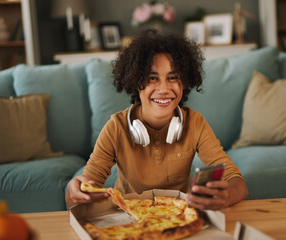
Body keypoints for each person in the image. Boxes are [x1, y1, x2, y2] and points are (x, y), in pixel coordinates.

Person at [66, 29, 248, 210]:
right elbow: (81, 191)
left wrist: (227, 194)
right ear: (136, 82)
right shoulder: (116, 127)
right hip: (129, 219)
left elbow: (237, 182)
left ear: (184, 82)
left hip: (178, 218)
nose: (164, 89)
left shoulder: (195, 123)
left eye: (173, 78)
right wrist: (74, 190)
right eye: (152, 78)